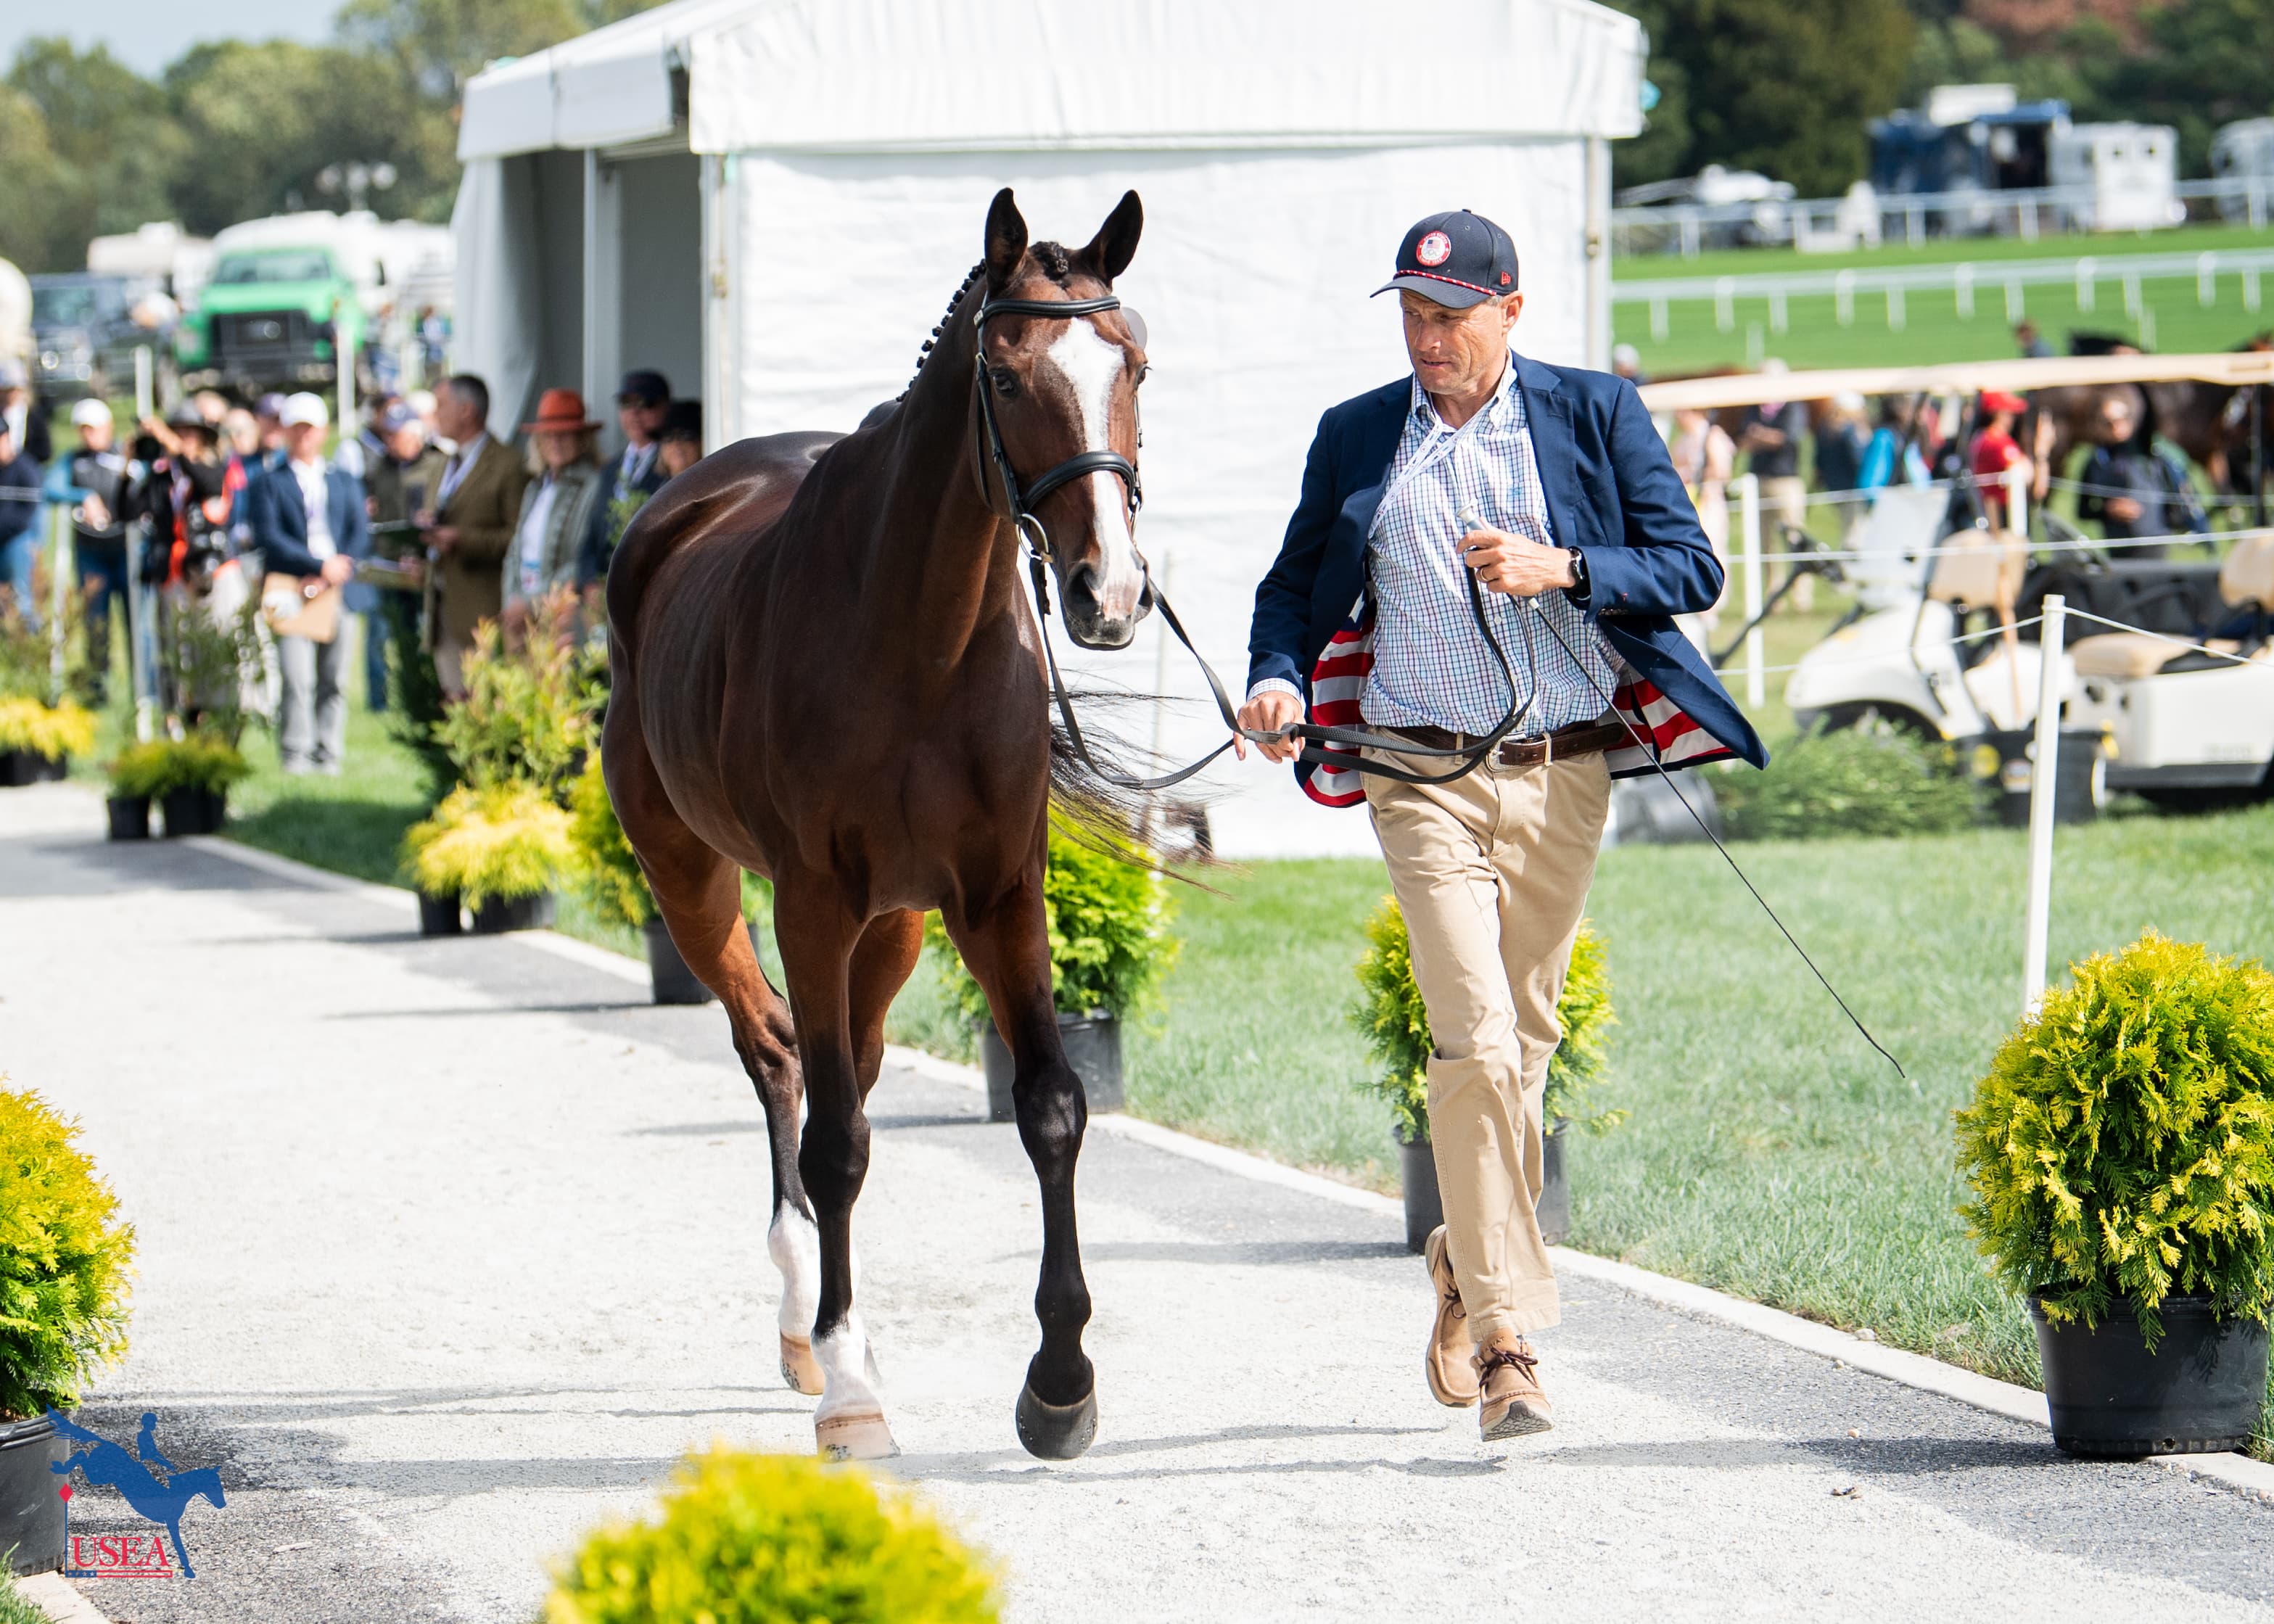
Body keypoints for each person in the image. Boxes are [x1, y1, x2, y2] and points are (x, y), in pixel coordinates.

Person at [1235, 209, 1763, 1444]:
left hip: (1562, 769)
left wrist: (1564, 566)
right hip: (1416, 770)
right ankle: (1509, 1340)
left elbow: (1689, 569)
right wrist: (1275, 672)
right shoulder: (1360, 434)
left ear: (1511, 313)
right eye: (1415, 315)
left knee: (1522, 1047)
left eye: (1454, 315)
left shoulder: (1593, 415)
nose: (1430, 338)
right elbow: (1291, 583)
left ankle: (1460, 1259)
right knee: (1473, 1036)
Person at [244, 394, 369, 773]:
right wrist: (318, 564)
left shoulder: (343, 480)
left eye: (309, 428)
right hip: (291, 584)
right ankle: (295, 753)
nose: (302, 436)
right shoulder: (269, 482)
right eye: (295, 428)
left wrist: (340, 565)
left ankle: (328, 752)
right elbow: (269, 535)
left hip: (338, 587)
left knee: (334, 677)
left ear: (323, 432)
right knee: (297, 676)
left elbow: (359, 530)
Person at [419, 373, 528, 696]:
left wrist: (462, 539)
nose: (435, 413)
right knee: (455, 706)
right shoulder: (443, 463)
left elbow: (517, 537)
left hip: (484, 608)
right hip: (441, 605)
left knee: (485, 708)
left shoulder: (509, 465)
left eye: (441, 405)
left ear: (466, 411)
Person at [44, 400, 135, 696]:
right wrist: (83, 495)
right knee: (96, 622)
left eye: (93, 429)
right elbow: (51, 488)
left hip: (126, 552)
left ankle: (143, 688)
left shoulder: (124, 456)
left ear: (108, 427)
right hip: (91, 554)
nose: (88, 435)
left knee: (136, 619)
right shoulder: (74, 461)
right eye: (83, 429)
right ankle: (98, 688)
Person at [503, 388, 606, 623]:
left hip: (565, 614)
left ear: (582, 440)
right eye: (548, 435)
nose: (555, 442)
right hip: (521, 615)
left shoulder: (594, 485)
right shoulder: (536, 487)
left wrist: (530, 603)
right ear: (537, 442)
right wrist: (512, 602)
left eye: (565, 435)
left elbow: (581, 558)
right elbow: (514, 552)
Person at [2077, 393, 2206, 561]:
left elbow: (2152, 412)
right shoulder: (2096, 462)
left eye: (2121, 419)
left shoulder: (2151, 452)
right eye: (2108, 422)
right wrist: (2108, 509)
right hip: (2119, 545)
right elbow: (2083, 511)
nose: (2116, 427)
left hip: (2155, 540)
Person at [579, 368, 671, 585]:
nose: (635, 414)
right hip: (605, 588)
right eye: (626, 405)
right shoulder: (610, 468)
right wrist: (589, 581)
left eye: (646, 404)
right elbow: (592, 534)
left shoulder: (672, 466)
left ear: (666, 407)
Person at [1736, 359, 1810, 609]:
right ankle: (1773, 596)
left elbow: (1787, 438)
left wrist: (1760, 436)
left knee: (1793, 537)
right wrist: (1762, 437)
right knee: (1765, 542)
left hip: (1785, 480)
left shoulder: (1792, 407)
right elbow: (1745, 438)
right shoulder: (1754, 408)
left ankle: (1801, 595)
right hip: (1759, 479)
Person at [1666, 405, 1734, 645]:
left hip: (1708, 502)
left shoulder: (1711, 436)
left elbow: (1722, 472)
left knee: (1713, 548)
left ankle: (1711, 603)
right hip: (1690, 502)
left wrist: (1697, 474)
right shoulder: (1684, 439)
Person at [0, 416, 41, 627]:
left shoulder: (25, 467)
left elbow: (26, 514)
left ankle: (28, 653)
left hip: (16, 542)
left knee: (22, 602)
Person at [1970, 389, 2031, 529]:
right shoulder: (1996, 440)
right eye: (2008, 413)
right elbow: (2025, 472)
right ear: (1997, 414)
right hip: (2001, 512)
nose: (2013, 418)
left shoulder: (1983, 437)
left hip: (1996, 508)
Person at [1858, 396, 1931, 491]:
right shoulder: (1884, 437)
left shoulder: (1908, 434)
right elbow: (1873, 481)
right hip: (1893, 500)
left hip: (1914, 499)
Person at [656, 399, 704, 480]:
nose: (676, 443)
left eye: (686, 435)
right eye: (669, 437)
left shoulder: (714, 484)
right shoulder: (654, 488)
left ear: (701, 442)